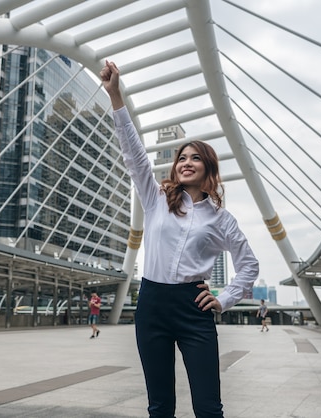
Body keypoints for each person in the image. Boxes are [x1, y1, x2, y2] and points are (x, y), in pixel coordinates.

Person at [100, 61, 259, 418]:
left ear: (208, 168)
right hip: (152, 304)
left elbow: (249, 265)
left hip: (193, 308)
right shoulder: (156, 199)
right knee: (159, 406)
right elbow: (133, 154)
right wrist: (115, 94)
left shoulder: (221, 219)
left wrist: (224, 298)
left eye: (195, 158)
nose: (186, 162)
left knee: (208, 406)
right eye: (181, 158)